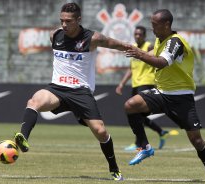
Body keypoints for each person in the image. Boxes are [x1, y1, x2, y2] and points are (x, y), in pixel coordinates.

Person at [13, 2, 132, 181]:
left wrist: (135, 50)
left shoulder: (93, 38)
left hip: (80, 92)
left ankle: (114, 168)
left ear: (78, 20)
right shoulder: (55, 35)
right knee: (33, 102)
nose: (64, 24)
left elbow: (114, 43)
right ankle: (22, 137)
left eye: (68, 21)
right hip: (57, 89)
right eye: (62, 20)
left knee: (100, 131)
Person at [125, 9, 205, 183]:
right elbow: (155, 55)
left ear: (166, 25)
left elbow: (162, 62)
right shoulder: (160, 39)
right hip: (161, 93)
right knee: (130, 105)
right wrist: (139, 52)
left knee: (196, 140)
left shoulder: (175, 42)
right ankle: (145, 147)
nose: (152, 28)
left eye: (155, 25)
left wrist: (140, 54)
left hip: (181, 97)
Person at [115, 26, 168, 151]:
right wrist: (122, 83)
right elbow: (131, 69)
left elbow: (158, 60)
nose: (137, 36)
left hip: (146, 82)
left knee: (137, 114)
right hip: (136, 84)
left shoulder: (149, 47)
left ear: (144, 36)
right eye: (136, 34)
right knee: (138, 115)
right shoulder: (133, 48)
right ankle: (159, 132)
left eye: (140, 34)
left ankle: (139, 143)